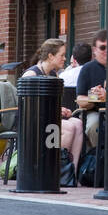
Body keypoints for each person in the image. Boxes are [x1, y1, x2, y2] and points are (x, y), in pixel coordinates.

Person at [21, 38, 84, 171]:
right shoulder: (31, 74)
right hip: (33, 122)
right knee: (69, 128)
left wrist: (61, 109)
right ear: (50, 56)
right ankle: (55, 170)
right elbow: (27, 106)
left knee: (78, 124)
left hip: (49, 119)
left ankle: (71, 171)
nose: (65, 58)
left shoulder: (53, 75)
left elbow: (53, 103)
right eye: (61, 55)